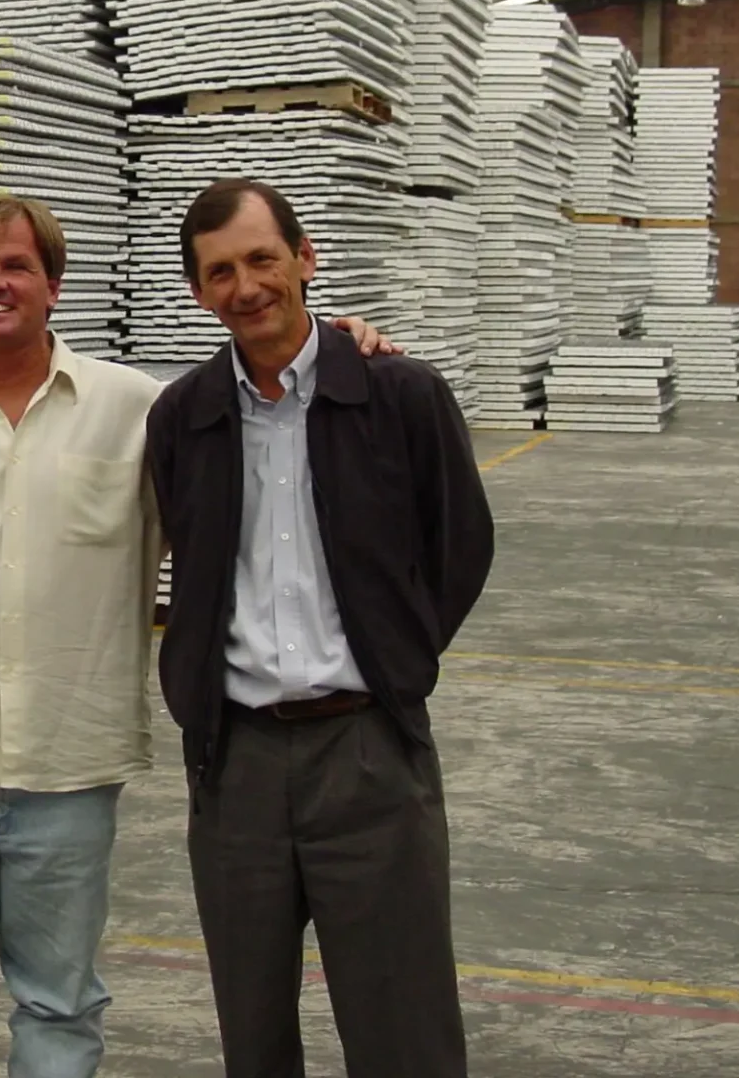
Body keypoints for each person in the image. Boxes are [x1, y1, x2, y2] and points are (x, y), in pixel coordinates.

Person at [0, 194, 394, 1078]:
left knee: (61, 1001)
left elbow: (264, 400)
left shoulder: (140, 410)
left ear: (54, 285)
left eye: (16, 267)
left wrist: (337, 338)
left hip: (69, 768)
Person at [145, 178, 494, 1078]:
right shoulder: (183, 418)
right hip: (238, 768)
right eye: (219, 272)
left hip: (369, 752)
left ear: (306, 259)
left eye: (263, 259)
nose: (246, 286)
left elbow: (461, 546)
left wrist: (391, 654)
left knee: (403, 1031)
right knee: (253, 1037)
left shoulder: (400, 394)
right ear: (197, 292)